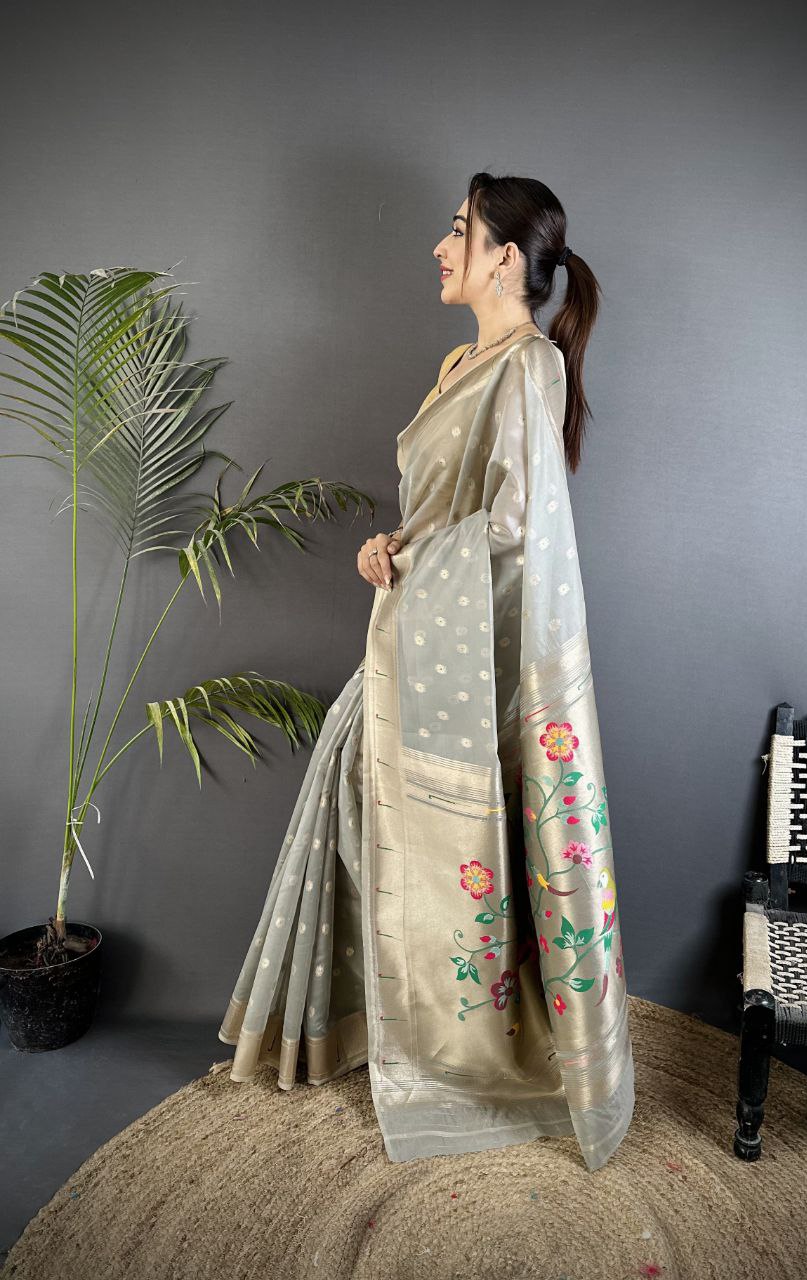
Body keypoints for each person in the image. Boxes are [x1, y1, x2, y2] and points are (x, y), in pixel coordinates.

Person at [218, 171, 635, 1172]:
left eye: (458, 231)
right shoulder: (460, 361)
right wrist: (390, 545)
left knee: (425, 831)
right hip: (412, 627)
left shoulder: (529, 366)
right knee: (352, 800)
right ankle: (339, 1028)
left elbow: (516, 529)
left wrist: (414, 561)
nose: (440, 248)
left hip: (471, 658)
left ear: (504, 257)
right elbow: (447, 513)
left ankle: (456, 1049)